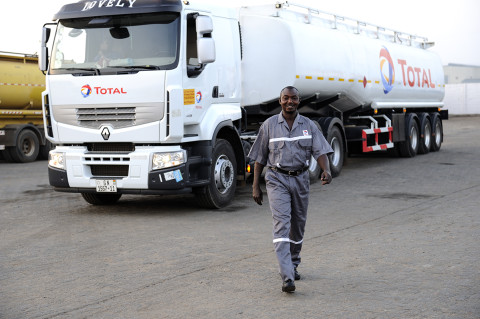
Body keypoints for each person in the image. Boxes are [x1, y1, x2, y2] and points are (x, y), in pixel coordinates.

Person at [248, 86, 333, 293]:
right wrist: (255, 186)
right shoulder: (269, 125)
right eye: (285, 98)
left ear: (298, 100)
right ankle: (286, 277)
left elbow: (320, 150)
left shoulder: (309, 125)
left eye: (293, 98)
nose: (290, 102)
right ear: (280, 101)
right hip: (277, 179)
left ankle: (293, 264)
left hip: (301, 179)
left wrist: (326, 170)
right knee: (281, 224)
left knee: (298, 225)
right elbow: (260, 157)